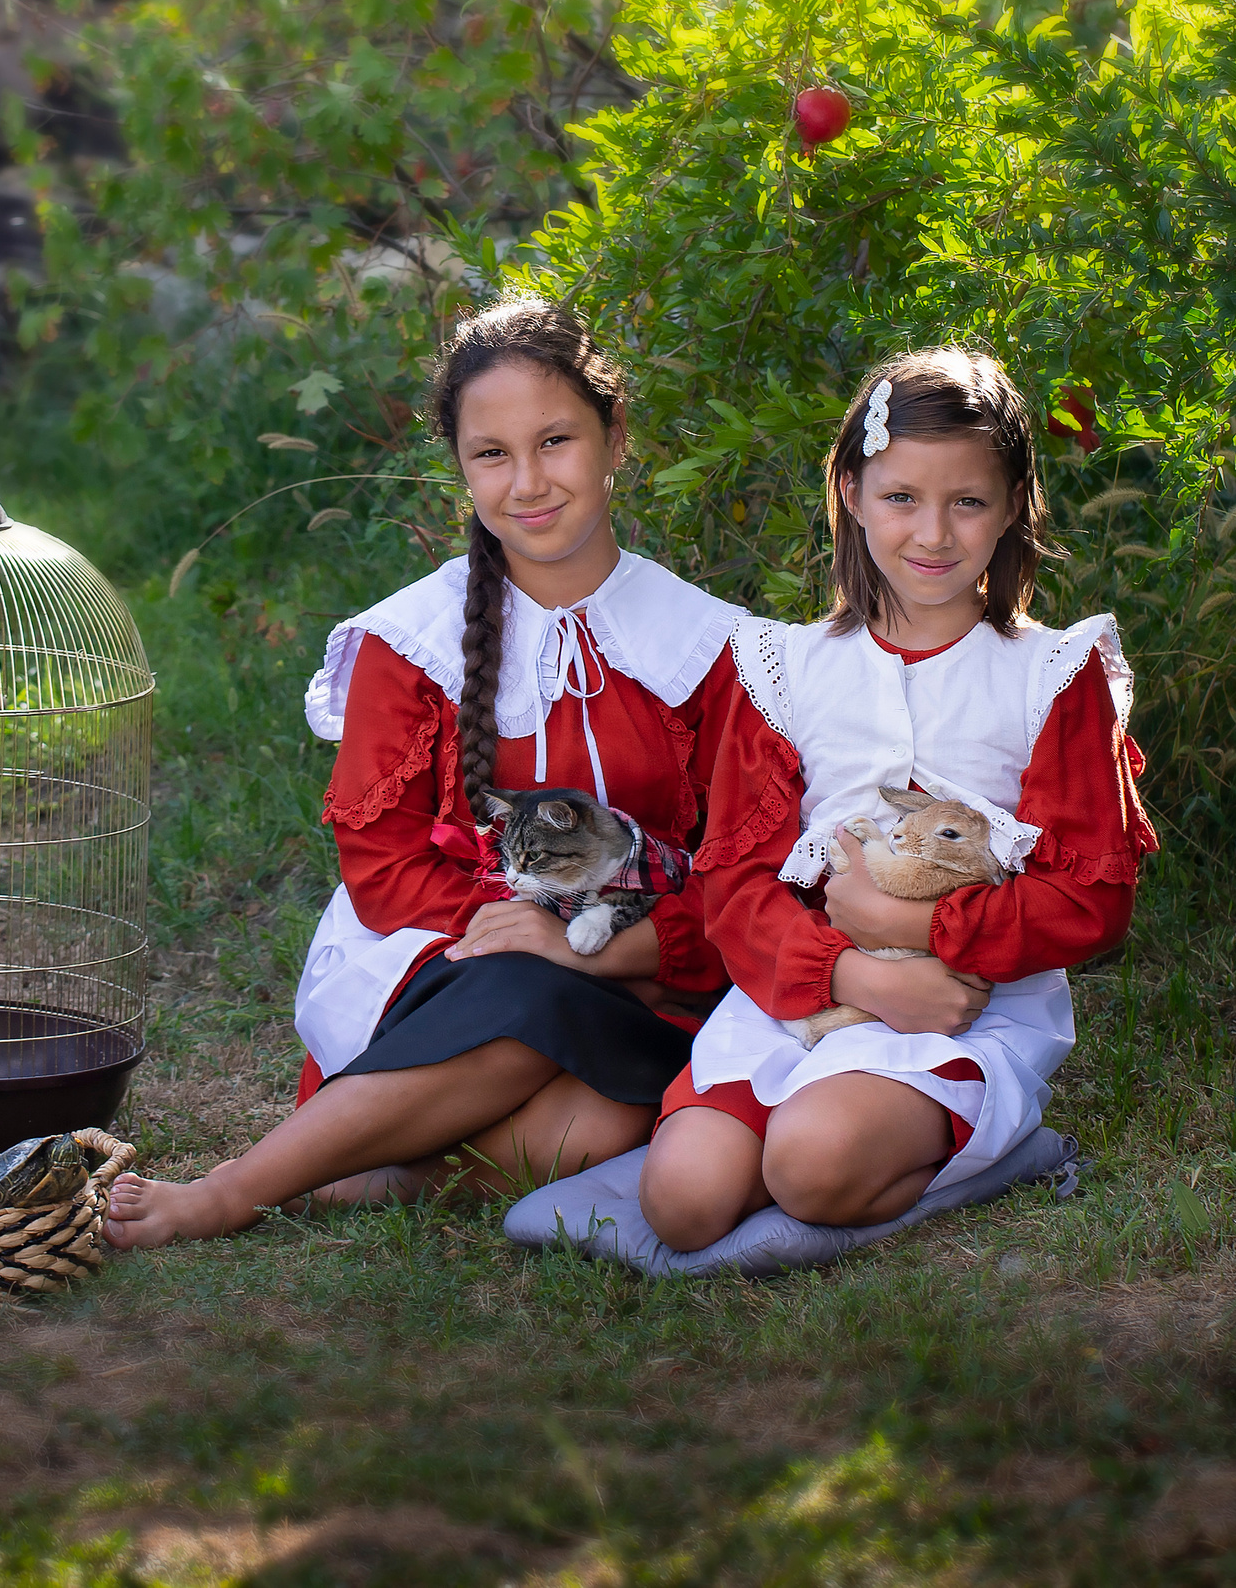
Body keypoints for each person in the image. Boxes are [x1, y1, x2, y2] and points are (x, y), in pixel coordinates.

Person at [104, 297, 751, 1247]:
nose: (527, 482)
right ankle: (231, 1190)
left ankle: (370, 1180)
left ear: (616, 439)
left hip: (656, 975)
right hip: (459, 970)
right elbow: (385, 868)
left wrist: (626, 952)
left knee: (618, 1112)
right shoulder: (411, 644)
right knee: (533, 1000)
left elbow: (747, 865)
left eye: (557, 440)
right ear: (459, 466)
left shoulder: (711, 647)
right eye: (491, 453)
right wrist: (533, 934)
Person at [638, 347, 1158, 1252]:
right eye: (900, 498)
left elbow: (1094, 904)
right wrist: (851, 971)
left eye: (968, 501)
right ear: (849, 490)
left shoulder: (1050, 673)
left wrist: (921, 932)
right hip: (806, 992)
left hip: (965, 1004)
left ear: (1011, 511)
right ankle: (836, 1136)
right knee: (681, 1203)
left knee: (810, 1167)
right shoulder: (783, 670)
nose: (933, 534)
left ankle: (995, 1148)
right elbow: (734, 889)